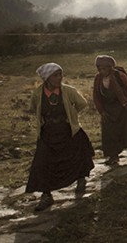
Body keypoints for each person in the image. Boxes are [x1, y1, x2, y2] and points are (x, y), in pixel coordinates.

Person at [25, 62, 95, 211]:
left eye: (60, 75)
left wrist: (71, 116)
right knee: (42, 163)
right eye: (55, 75)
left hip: (68, 131)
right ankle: (46, 196)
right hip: (48, 133)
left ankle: (81, 179)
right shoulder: (38, 93)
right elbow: (33, 108)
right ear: (47, 78)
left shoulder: (68, 91)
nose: (59, 78)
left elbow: (82, 104)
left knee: (77, 156)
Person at [92, 55, 127, 165]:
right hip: (108, 109)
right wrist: (101, 111)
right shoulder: (98, 78)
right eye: (99, 69)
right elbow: (96, 95)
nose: (102, 71)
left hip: (123, 107)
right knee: (109, 132)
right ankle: (113, 156)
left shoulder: (120, 76)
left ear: (110, 67)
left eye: (104, 68)